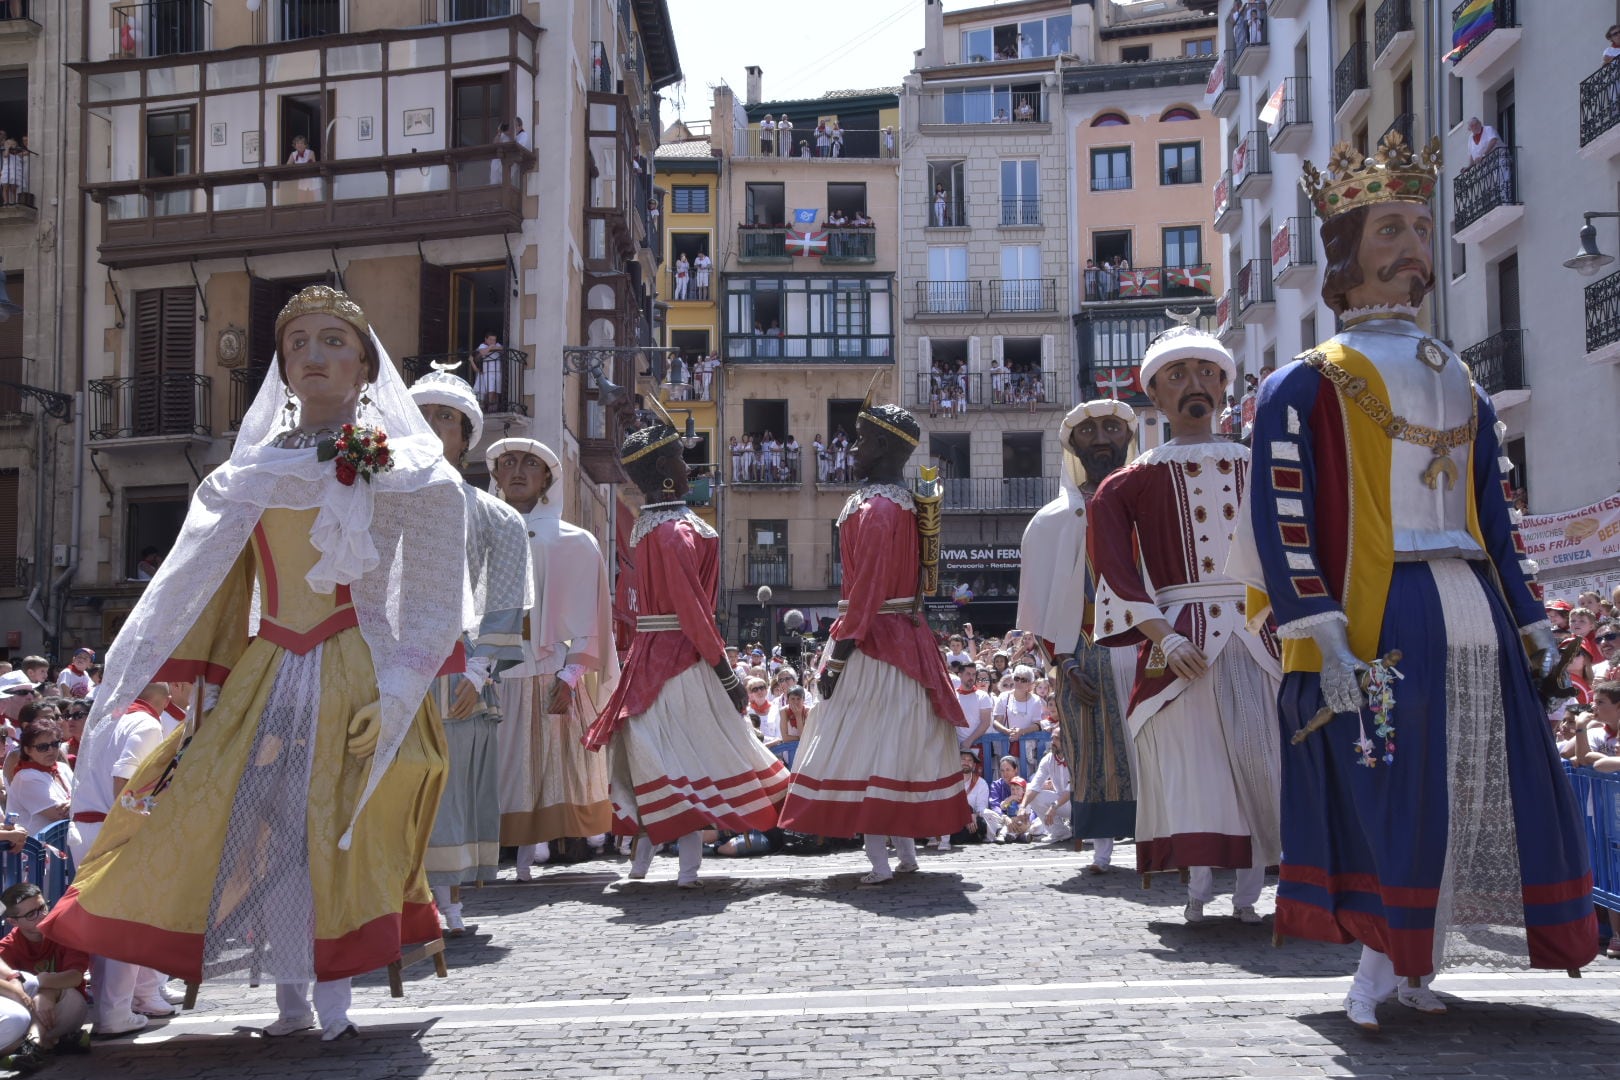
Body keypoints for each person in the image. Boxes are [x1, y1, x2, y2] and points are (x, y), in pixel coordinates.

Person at [1230, 132, 1597, 1031]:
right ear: (1348, 253)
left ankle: (1412, 961)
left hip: (1468, 600)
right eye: (1392, 228)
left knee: (1471, 787)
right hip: (1380, 610)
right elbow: (1283, 521)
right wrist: (1317, 626)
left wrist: (1531, 617)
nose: (1415, 249)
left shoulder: (1461, 380)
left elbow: (1493, 514)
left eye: (1423, 229)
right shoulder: (1302, 383)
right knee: (1395, 789)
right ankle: (1376, 966)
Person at [42, 285, 468, 1042]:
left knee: (335, 835)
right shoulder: (250, 472)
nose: (312, 354)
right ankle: (289, 1002)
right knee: (254, 832)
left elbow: (432, 595)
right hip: (269, 670)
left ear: (367, 366)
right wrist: (128, 672)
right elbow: (189, 578)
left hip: (356, 671)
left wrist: (402, 685)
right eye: (297, 341)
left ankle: (332, 1000)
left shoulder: (414, 470)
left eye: (333, 340)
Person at [1087, 319, 1282, 927]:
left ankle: (1252, 887)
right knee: (1192, 763)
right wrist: (1163, 636)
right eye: (1177, 375)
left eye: (1206, 373)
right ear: (1156, 395)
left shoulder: (1269, 467)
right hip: (1181, 641)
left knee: (1265, 760)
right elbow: (1115, 570)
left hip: (1261, 635)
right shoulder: (1129, 483)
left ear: (1226, 386)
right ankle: (1197, 882)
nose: (1194, 385)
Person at [584, 421, 788, 887]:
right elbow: (694, 611)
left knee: (659, 760)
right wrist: (724, 670)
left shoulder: (646, 529)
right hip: (682, 660)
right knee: (689, 758)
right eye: (679, 455)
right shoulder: (678, 531)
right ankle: (684, 869)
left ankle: (651, 864)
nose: (687, 462)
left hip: (647, 657)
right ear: (664, 469)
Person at [778, 400, 969, 883]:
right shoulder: (900, 505)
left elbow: (865, 590)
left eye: (861, 440)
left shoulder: (877, 509)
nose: (853, 449)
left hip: (872, 646)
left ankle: (880, 860)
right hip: (907, 641)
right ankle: (903, 853)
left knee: (864, 746)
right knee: (897, 748)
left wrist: (838, 655)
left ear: (884, 447)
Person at [410, 368, 533, 934]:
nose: (432, 427)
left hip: (457, 664)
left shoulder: (496, 515)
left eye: (445, 418)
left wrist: (480, 668)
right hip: (389, 660)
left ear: (465, 436)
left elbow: (505, 596)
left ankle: (450, 901)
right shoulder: (373, 502)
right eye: (421, 415)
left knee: (452, 780)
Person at [488, 436, 619, 880]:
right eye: (508, 462)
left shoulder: (574, 542)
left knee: (542, 768)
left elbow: (588, 617)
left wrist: (571, 674)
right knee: (491, 767)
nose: (518, 471)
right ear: (495, 475)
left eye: (530, 462)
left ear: (548, 477)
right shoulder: (478, 533)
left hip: (545, 672)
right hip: (485, 674)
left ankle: (529, 856)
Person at [1017, 400, 1139, 873]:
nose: (1103, 441)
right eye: (1090, 433)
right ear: (1073, 448)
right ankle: (1103, 847)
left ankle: (1163, 840)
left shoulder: (1148, 506)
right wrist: (1063, 661)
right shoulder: (1049, 522)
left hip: (1143, 643)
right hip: (1082, 649)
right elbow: (1044, 607)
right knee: (1089, 751)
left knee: (1153, 745)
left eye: (1112, 429)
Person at [0, 883, 90, 1057]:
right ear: (12, 921)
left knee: (31, 984)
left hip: (67, 1006)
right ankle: (41, 1044)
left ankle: (33, 1044)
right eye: (31, 914)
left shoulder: (66, 932)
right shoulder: (7, 946)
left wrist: (42, 986)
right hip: (28, 1014)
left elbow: (75, 977)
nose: (41, 916)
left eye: (42, 907)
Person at [8, 719, 71, 834]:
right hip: (35, 848)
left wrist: (73, 804)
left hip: (63, 843)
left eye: (55, 744)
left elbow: (86, 797)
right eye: (43, 747)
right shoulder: (26, 777)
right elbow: (58, 814)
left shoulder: (62, 767)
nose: (51, 750)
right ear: (27, 750)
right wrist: (77, 803)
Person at [474, 331, 505, 413]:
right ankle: (489, 409)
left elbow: (502, 349)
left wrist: (491, 348)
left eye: (494, 340)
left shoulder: (497, 345)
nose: (493, 342)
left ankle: (495, 408)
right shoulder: (482, 345)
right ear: (486, 339)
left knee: (497, 391)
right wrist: (490, 347)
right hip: (488, 372)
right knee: (490, 390)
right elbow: (482, 352)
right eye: (490, 339)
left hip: (498, 371)